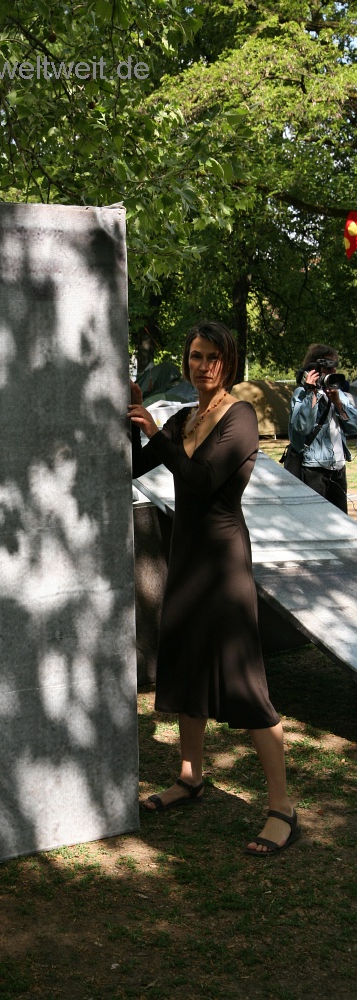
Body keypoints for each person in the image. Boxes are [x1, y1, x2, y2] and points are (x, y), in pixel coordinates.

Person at [128, 321, 299, 856]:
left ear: (229, 362)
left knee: (244, 682)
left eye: (213, 357)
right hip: (186, 558)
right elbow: (134, 465)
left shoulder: (240, 417)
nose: (203, 366)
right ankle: (190, 776)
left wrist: (157, 435)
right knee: (185, 664)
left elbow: (201, 481)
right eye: (196, 356)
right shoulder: (184, 417)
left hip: (223, 562)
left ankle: (282, 808)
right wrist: (133, 418)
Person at [288, 344, 357, 513]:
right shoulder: (301, 393)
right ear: (315, 369)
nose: (333, 371)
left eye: (334, 366)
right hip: (313, 470)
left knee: (339, 520)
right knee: (314, 518)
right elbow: (302, 427)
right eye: (328, 367)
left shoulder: (339, 394)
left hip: (338, 469)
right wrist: (312, 394)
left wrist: (338, 403)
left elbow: (354, 426)